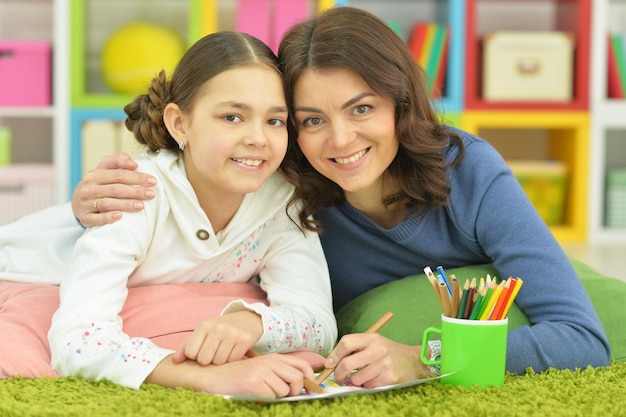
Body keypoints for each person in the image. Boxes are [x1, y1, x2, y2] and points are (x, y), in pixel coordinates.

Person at [70, 7, 611, 388]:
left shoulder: (470, 173)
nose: (341, 141)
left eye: (361, 109)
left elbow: (582, 340)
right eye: (311, 120)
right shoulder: (289, 185)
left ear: (399, 102)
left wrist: (427, 358)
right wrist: (81, 210)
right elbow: (190, 189)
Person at [0, 31, 337, 398]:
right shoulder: (135, 196)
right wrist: (208, 378)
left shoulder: (281, 202)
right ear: (179, 124)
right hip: (24, 270)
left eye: (274, 121)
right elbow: (77, 342)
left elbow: (318, 320)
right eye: (232, 117)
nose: (258, 138)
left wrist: (252, 322)